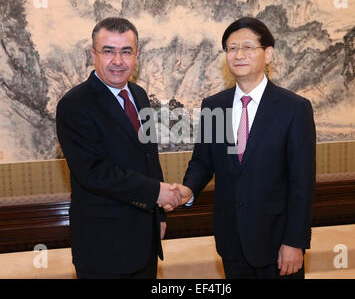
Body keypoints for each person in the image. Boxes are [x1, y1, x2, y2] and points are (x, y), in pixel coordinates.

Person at [171, 17, 316, 279]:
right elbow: (203, 161)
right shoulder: (214, 106)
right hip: (231, 240)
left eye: (248, 47)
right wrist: (187, 189)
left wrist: (295, 242)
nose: (239, 54)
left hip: (278, 241)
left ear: (268, 54)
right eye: (231, 48)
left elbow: (301, 182)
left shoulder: (294, 108)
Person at [56, 17, 189, 279]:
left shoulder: (138, 95)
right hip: (104, 247)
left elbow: (150, 157)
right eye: (108, 51)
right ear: (93, 54)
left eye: (126, 51)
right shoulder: (74, 105)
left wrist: (159, 215)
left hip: (145, 242)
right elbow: (93, 172)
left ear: (136, 55)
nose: (118, 60)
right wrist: (156, 193)